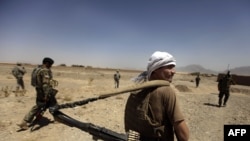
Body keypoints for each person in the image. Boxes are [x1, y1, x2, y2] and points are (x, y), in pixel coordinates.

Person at [124, 51, 189, 141]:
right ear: (156, 69)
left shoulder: (137, 89)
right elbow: (183, 133)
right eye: (169, 67)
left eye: (173, 67)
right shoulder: (166, 91)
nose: (174, 71)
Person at [17, 57, 58, 130]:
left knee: (39, 105)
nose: (51, 66)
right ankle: (57, 119)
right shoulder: (44, 71)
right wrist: (46, 95)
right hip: (44, 91)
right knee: (53, 104)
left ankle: (25, 121)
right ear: (47, 63)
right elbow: (45, 84)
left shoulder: (37, 69)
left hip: (38, 89)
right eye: (50, 64)